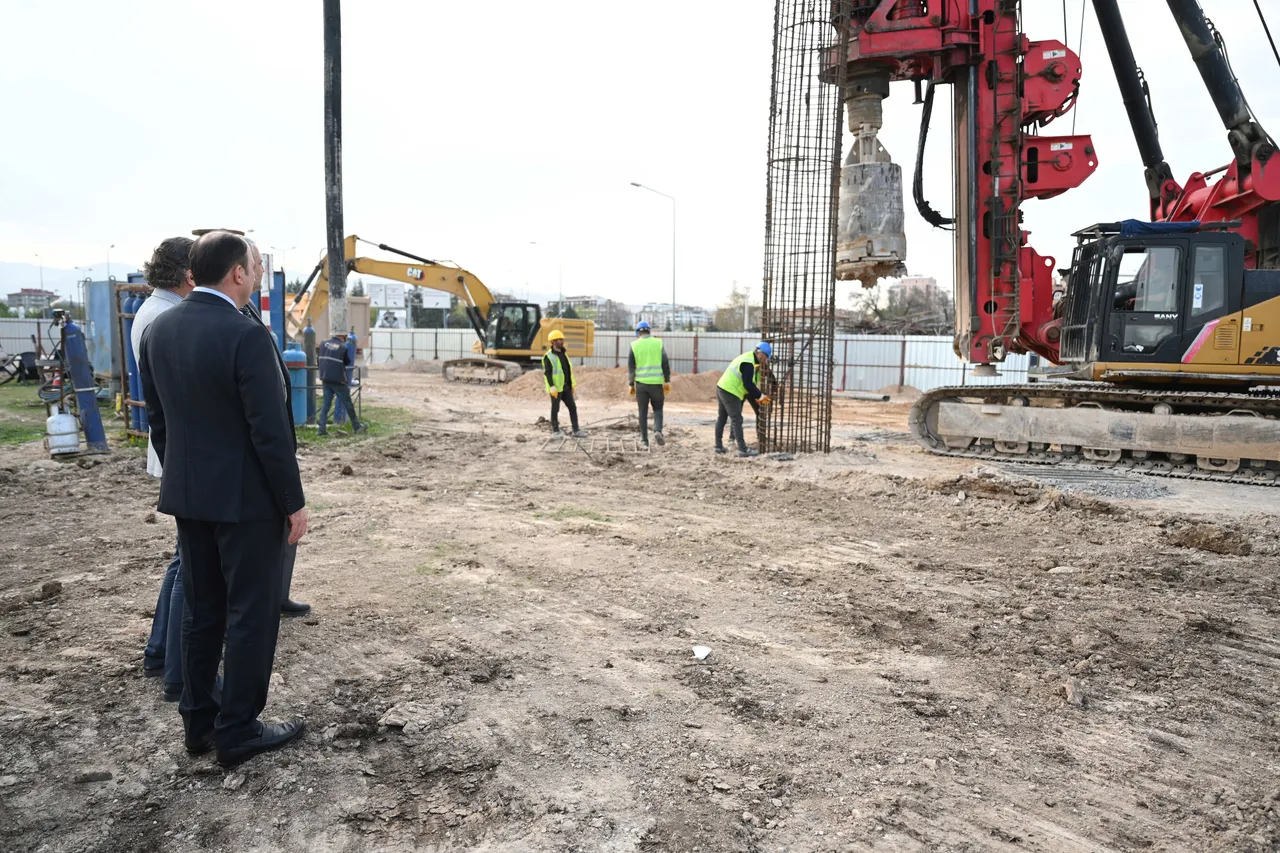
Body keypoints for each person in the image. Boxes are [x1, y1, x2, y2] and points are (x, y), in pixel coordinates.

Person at [138, 230, 308, 768]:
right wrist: (292, 501)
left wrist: (187, 475)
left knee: (202, 612)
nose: (255, 275)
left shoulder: (160, 329)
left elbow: (159, 423)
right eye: (253, 268)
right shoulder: (245, 336)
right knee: (251, 615)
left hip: (189, 497)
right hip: (248, 504)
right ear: (237, 272)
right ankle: (238, 730)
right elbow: (269, 432)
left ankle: (199, 724)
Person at [134, 237, 194, 701]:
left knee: (182, 559)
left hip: (174, 451)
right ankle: (175, 665)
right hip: (184, 453)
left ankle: (161, 651)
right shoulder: (166, 317)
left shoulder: (151, 311)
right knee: (187, 563)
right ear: (187, 274)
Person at [242, 239, 311, 616]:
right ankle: (265, 603)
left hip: (271, 450)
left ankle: (278, 595)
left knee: (283, 536)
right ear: (240, 269)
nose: (262, 271)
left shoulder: (249, 311)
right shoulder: (235, 321)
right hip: (254, 457)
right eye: (256, 264)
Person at [715, 342, 773, 457]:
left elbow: (752, 383)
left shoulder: (750, 359)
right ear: (761, 354)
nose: (765, 360)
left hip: (722, 387)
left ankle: (718, 446)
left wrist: (758, 396)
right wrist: (760, 396)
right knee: (737, 419)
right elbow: (748, 384)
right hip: (730, 391)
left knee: (722, 417)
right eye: (765, 357)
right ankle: (743, 449)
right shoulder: (748, 363)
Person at [627, 321, 671, 448]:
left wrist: (631, 384)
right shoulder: (658, 343)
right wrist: (667, 381)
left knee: (643, 411)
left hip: (641, 385)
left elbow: (631, 367)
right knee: (658, 409)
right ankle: (657, 431)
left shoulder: (634, 345)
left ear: (638, 332)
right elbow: (665, 363)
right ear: (649, 331)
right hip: (656, 384)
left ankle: (644, 441)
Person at [317, 331, 365, 436]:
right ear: (343, 337)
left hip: (325, 378)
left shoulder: (323, 343)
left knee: (325, 406)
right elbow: (347, 362)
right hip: (338, 381)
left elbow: (318, 360)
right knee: (348, 404)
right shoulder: (342, 347)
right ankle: (357, 427)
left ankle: (321, 430)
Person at [543, 329, 587, 438]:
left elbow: (567, 370)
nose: (562, 341)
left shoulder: (564, 353)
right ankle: (555, 431)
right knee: (555, 409)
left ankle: (576, 430)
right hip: (556, 389)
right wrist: (552, 387)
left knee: (572, 407)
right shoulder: (549, 356)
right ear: (553, 341)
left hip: (566, 386)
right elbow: (548, 373)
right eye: (559, 339)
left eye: (562, 339)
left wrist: (571, 384)